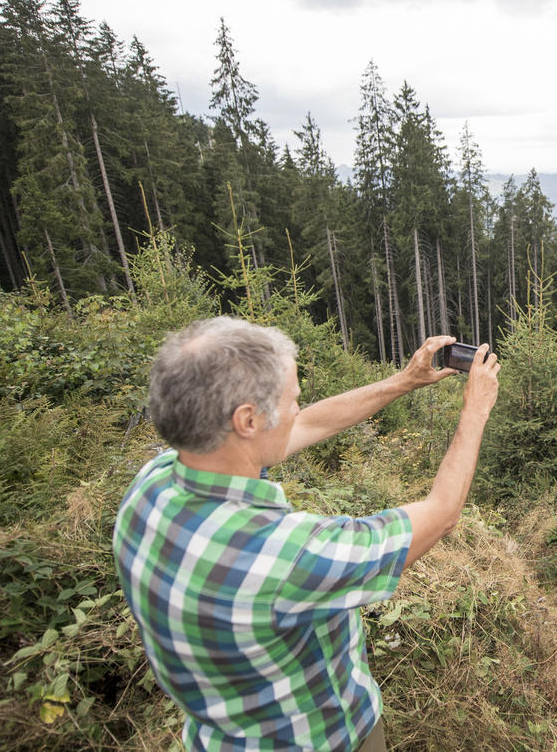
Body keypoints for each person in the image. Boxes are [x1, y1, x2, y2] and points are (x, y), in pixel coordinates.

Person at [113, 317, 500, 751]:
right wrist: (476, 408)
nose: (298, 409)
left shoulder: (153, 483)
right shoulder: (283, 554)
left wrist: (403, 381)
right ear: (248, 420)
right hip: (323, 739)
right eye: (292, 399)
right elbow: (441, 514)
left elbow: (309, 425)